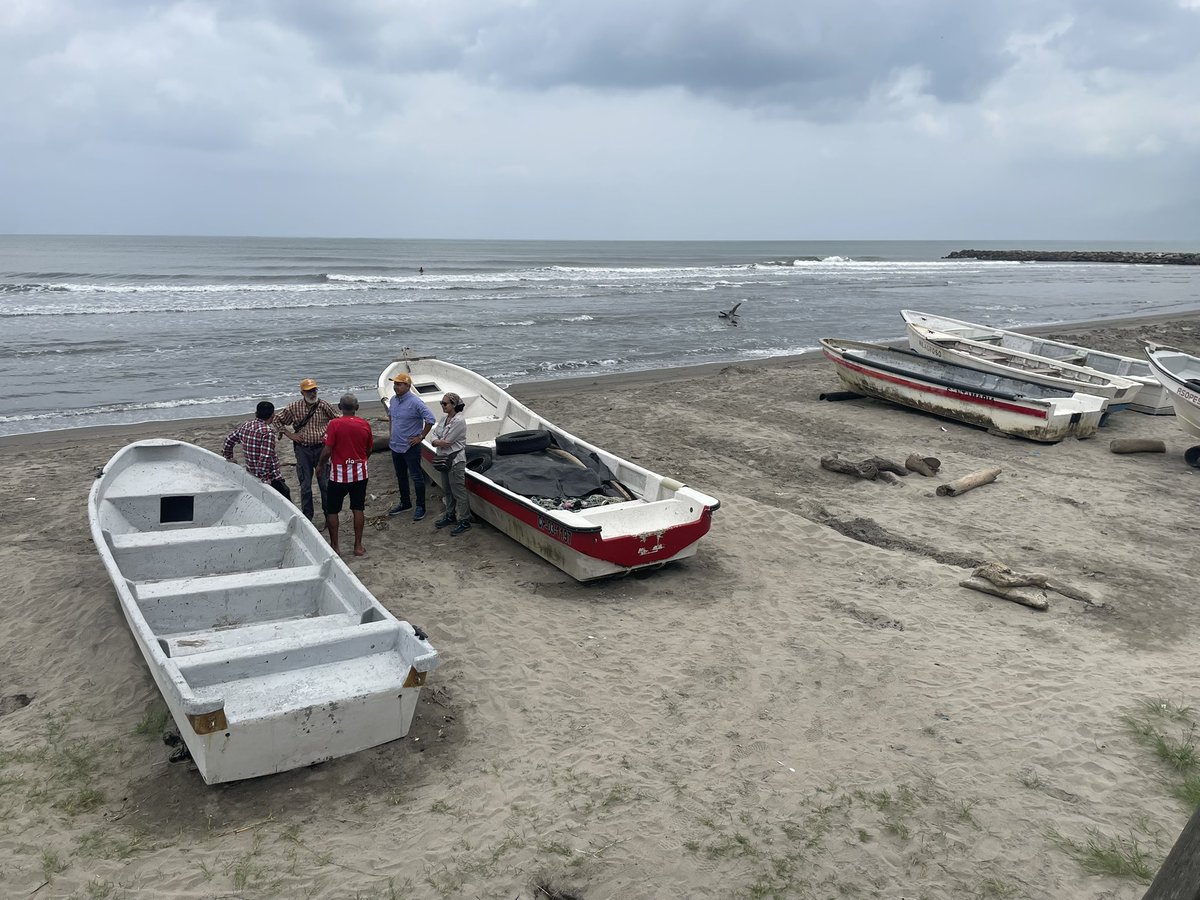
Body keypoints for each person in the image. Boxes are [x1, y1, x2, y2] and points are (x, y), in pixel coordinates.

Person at [275, 378, 338, 523]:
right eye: (309, 391)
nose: (312, 393)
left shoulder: (324, 405)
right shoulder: (294, 407)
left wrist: (330, 436)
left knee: (325, 485)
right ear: (302, 392)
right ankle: (307, 517)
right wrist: (290, 435)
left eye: (314, 390)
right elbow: (277, 420)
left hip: (322, 449)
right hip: (303, 451)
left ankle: (329, 517)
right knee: (305, 486)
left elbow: (337, 419)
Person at [318, 393, 374, 557]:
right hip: (359, 472)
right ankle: (358, 546)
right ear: (356, 408)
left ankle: (335, 546)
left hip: (339, 475)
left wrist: (320, 464)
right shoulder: (364, 424)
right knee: (358, 508)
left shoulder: (334, 424)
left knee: (333, 510)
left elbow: (328, 449)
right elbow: (369, 448)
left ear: (340, 407)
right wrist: (362, 460)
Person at [385, 372, 435, 521]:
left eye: (399, 384)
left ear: (407, 386)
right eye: (394, 384)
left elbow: (430, 419)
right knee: (401, 476)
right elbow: (391, 418)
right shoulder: (393, 400)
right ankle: (405, 502)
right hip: (395, 446)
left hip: (410, 447)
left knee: (416, 477)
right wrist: (391, 434)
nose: (395, 387)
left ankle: (421, 506)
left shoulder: (416, 402)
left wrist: (421, 436)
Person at [223, 401, 292, 500]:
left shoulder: (246, 426)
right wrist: (265, 477)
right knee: (284, 496)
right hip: (270, 477)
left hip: (251, 471)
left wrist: (228, 456)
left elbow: (228, 440)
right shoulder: (267, 433)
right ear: (272, 415)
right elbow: (265, 457)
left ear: (256, 413)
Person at [430, 392, 472, 535]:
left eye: (445, 403)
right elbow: (434, 435)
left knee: (458, 492)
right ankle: (450, 515)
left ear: (454, 405)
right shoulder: (444, 418)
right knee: (447, 490)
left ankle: (465, 520)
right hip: (444, 459)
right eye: (441, 403)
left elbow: (447, 442)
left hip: (455, 461)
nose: (442, 405)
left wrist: (437, 441)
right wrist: (437, 441)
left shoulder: (459, 421)